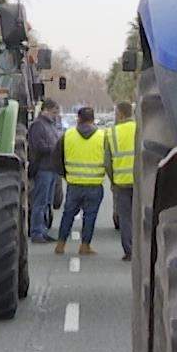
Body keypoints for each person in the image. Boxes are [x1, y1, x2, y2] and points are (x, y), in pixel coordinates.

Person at [54, 105, 106, 256]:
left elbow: (57, 157)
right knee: (90, 217)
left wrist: (65, 174)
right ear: (93, 119)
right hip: (94, 185)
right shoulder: (102, 136)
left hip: (74, 184)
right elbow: (108, 159)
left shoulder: (68, 135)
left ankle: (60, 244)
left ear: (78, 118)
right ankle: (85, 246)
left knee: (68, 214)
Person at [103, 100, 137, 261]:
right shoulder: (140, 129)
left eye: (116, 113)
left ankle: (129, 251)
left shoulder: (111, 133)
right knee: (139, 217)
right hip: (140, 182)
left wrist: (112, 180)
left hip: (121, 182)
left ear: (121, 114)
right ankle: (142, 250)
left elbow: (107, 162)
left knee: (125, 219)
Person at [25, 98, 62, 243]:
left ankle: (44, 230)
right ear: (45, 110)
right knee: (39, 202)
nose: (55, 115)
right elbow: (38, 146)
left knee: (47, 202)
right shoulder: (38, 126)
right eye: (54, 112)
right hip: (43, 168)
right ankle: (36, 232)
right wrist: (55, 149)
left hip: (52, 169)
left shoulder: (51, 126)